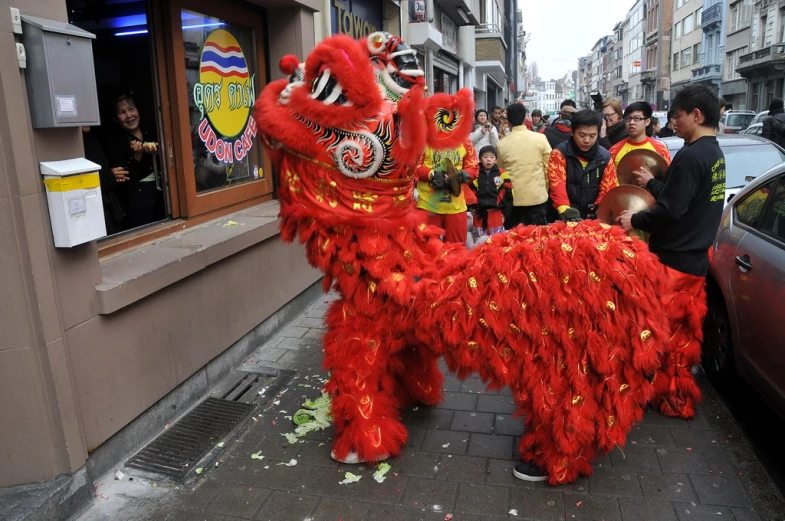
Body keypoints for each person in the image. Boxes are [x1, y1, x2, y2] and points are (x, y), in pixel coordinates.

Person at [617, 84, 726, 417]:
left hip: (675, 264)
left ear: (696, 114)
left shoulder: (691, 156)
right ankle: (670, 395)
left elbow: (669, 212)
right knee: (682, 334)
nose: (672, 122)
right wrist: (652, 182)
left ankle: (671, 400)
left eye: (677, 116)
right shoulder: (712, 153)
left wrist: (633, 218)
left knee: (665, 335)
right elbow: (682, 198)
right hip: (693, 260)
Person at [547, 109, 618, 221]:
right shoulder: (559, 153)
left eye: (592, 136)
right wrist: (565, 210)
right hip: (563, 217)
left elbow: (609, 189)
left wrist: (597, 209)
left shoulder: (605, 157)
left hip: (594, 218)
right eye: (582, 135)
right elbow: (557, 185)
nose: (587, 140)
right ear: (572, 132)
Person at [107, 94, 165, 229]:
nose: (129, 115)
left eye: (131, 109)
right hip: (138, 197)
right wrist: (137, 155)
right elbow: (125, 179)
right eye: (122, 112)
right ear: (116, 118)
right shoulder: (116, 141)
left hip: (161, 191)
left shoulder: (151, 129)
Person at [496, 103, 552, 227]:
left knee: (514, 240)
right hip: (537, 196)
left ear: (508, 121)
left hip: (513, 199)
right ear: (525, 119)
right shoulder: (540, 138)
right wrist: (545, 189)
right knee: (536, 239)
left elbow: (501, 172)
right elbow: (549, 168)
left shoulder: (502, 144)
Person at [415, 139, 479, 243]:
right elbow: (414, 165)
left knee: (457, 251)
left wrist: (461, 175)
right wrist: (432, 174)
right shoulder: (424, 139)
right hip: (429, 205)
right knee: (426, 249)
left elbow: (473, 168)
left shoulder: (465, 142)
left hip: (456, 207)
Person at [82, 126, 126, 235]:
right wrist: (109, 175)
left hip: (108, 200)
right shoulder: (72, 143)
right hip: (93, 202)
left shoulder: (91, 138)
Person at [609, 101, 671, 169]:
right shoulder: (614, 151)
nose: (631, 122)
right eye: (628, 119)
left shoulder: (660, 149)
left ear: (647, 122)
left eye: (637, 118)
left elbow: (668, 177)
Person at [470, 145, 513, 238]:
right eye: (485, 157)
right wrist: (471, 207)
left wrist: (505, 214)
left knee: (497, 242)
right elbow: (470, 192)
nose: (488, 160)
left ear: (496, 160)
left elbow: (509, 194)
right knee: (479, 243)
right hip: (479, 215)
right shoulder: (475, 174)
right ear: (480, 159)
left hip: (496, 213)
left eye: (492, 157)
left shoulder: (502, 174)